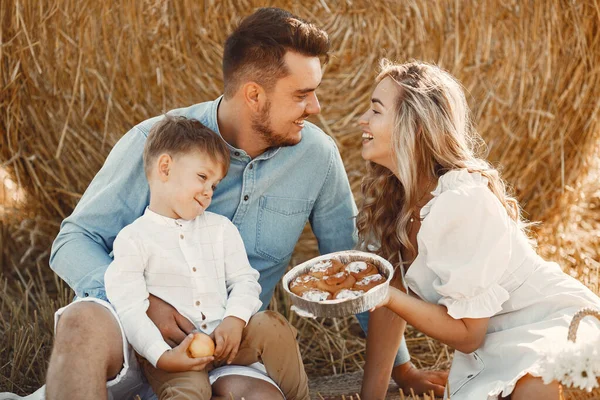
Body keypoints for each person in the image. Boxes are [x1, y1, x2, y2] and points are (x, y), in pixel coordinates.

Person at [0, 8, 444, 400]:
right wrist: (143, 301)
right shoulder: (157, 144)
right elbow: (72, 240)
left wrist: (401, 368)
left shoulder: (316, 157)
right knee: (80, 323)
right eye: (301, 94)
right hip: (134, 331)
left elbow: (353, 264)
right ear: (254, 95)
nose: (317, 107)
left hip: (233, 345)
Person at [355, 59, 600, 400]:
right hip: (490, 344)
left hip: (547, 320)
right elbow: (390, 303)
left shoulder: (462, 200)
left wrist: (387, 295)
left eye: (376, 111)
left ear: (416, 127)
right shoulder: (399, 200)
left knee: (532, 384)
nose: (361, 120)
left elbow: (467, 334)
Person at [104, 114, 309, 399]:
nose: (208, 192)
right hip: (173, 353)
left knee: (273, 326)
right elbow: (130, 310)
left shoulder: (220, 229)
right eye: (202, 177)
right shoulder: (133, 239)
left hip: (226, 342)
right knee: (191, 392)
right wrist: (162, 356)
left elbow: (245, 281)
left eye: (214, 185)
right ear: (165, 168)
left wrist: (235, 320)